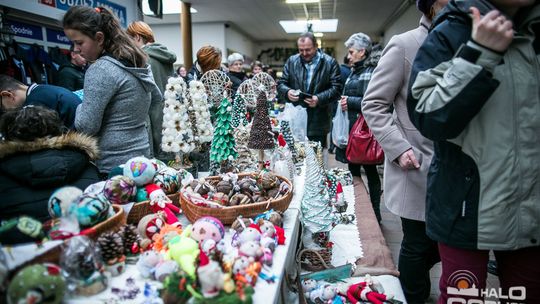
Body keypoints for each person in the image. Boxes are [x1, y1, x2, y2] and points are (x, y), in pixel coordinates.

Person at [407, 0, 540, 303]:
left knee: (527, 295)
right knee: (464, 296)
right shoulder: (451, 31)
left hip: (531, 206)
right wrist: (480, 54)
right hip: (466, 201)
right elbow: (428, 116)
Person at [361, 0, 448, 302]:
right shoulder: (404, 44)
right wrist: (399, 148)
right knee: (417, 244)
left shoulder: (469, 43)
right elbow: (373, 103)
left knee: (448, 246)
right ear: (432, 5)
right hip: (419, 163)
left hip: (460, 167)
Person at [63, 6, 162, 175]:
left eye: (79, 42)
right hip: (140, 160)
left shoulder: (100, 70)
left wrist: (80, 105)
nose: (76, 49)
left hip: (112, 166)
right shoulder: (138, 61)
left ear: (99, 38)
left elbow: (87, 126)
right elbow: (155, 98)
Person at [0, 105, 100, 222]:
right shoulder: (86, 164)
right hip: (88, 235)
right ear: (58, 130)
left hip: (24, 239)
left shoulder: (4, 174)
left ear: (8, 137)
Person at [334, 33, 382, 223]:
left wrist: (350, 102)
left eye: (352, 51)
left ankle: (375, 213)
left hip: (364, 132)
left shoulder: (370, 72)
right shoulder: (357, 70)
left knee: (370, 172)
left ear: (362, 52)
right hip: (353, 130)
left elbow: (376, 102)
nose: (349, 56)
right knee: (354, 171)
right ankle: (360, 209)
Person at [277, 32, 342, 148]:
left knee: (316, 159)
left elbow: (337, 88)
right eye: (301, 50)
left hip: (318, 121)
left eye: (308, 50)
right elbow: (281, 83)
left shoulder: (330, 62)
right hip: (295, 119)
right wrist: (287, 92)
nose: (304, 53)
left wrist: (319, 98)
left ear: (316, 46)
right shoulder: (292, 61)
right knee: (295, 157)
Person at [127, 21, 177, 159]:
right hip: (171, 116)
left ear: (137, 37)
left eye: (130, 39)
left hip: (154, 117)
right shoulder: (164, 56)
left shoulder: (143, 59)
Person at [0, 74, 81, 128]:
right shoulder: (44, 91)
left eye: (2, 107)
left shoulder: (34, 106)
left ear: (7, 95)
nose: (6, 111)